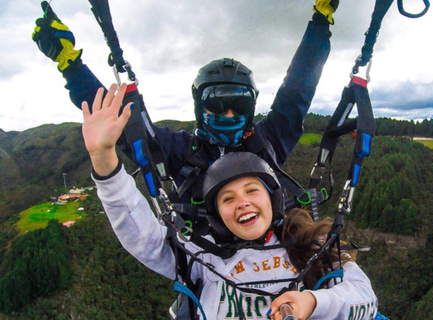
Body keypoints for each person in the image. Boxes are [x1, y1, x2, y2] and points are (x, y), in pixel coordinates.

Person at [81, 83, 378, 320]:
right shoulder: (201, 256)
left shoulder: (312, 244)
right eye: (228, 198)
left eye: (252, 190)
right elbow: (141, 234)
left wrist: (313, 302)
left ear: (273, 198)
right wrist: (103, 159)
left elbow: (364, 300)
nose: (242, 203)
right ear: (217, 214)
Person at [32, 0, 338, 204]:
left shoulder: (268, 139)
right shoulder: (180, 151)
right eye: (217, 104)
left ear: (252, 108)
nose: (229, 114)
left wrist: (320, 24)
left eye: (240, 106)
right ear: (199, 108)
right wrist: (71, 67)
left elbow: (299, 86)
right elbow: (121, 123)